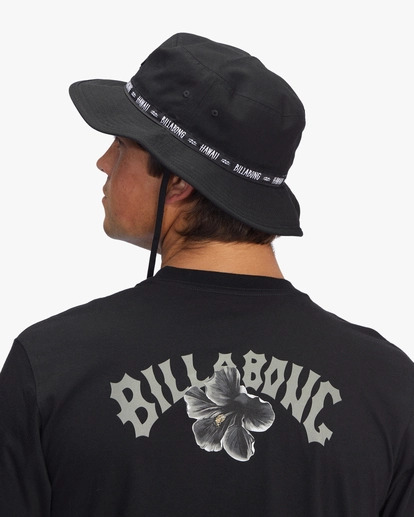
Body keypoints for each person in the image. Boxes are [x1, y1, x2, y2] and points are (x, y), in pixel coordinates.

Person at [0, 32, 413, 517]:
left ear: (177, 182)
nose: (103, 162)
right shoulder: (388, 387)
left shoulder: (51, 367)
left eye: (121, 144)